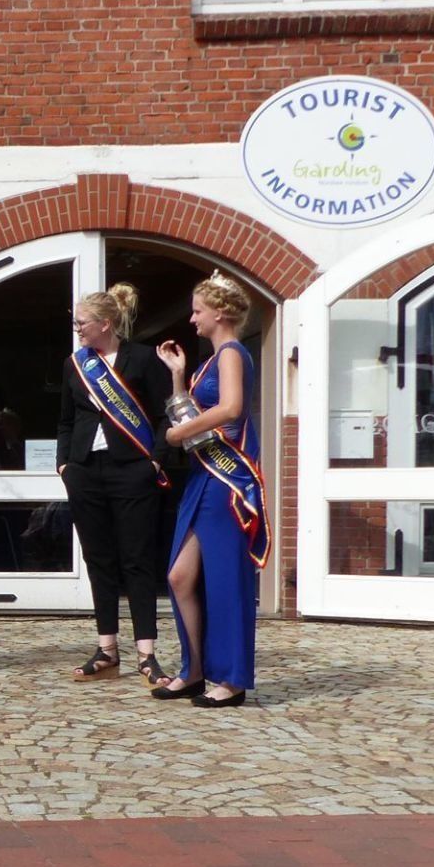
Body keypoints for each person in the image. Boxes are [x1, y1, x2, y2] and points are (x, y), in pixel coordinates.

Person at [153, 272, 270, 708]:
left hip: (226, 482)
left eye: (198, 309)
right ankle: (195, 669)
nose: (192, 317)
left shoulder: (232, 352)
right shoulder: (210, 360)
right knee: (180, 576)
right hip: (205, 477)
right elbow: (194, 409)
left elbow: (231, 409)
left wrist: (177, 433)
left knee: (225, 581)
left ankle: (232, 679)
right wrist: (179, 377)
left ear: (219, 312)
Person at [57, 282, 174, 686]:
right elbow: (66, 420)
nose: (78, 329)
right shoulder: (76, 365)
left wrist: (155, 460)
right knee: (98, 559)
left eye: (82, 323)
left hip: (132, 470)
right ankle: (107, 648)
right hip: (86, 471)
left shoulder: (142, 359)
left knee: (137, 560)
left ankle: (147, 652)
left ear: (106, 324)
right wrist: (64, 465)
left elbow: (165, 416)